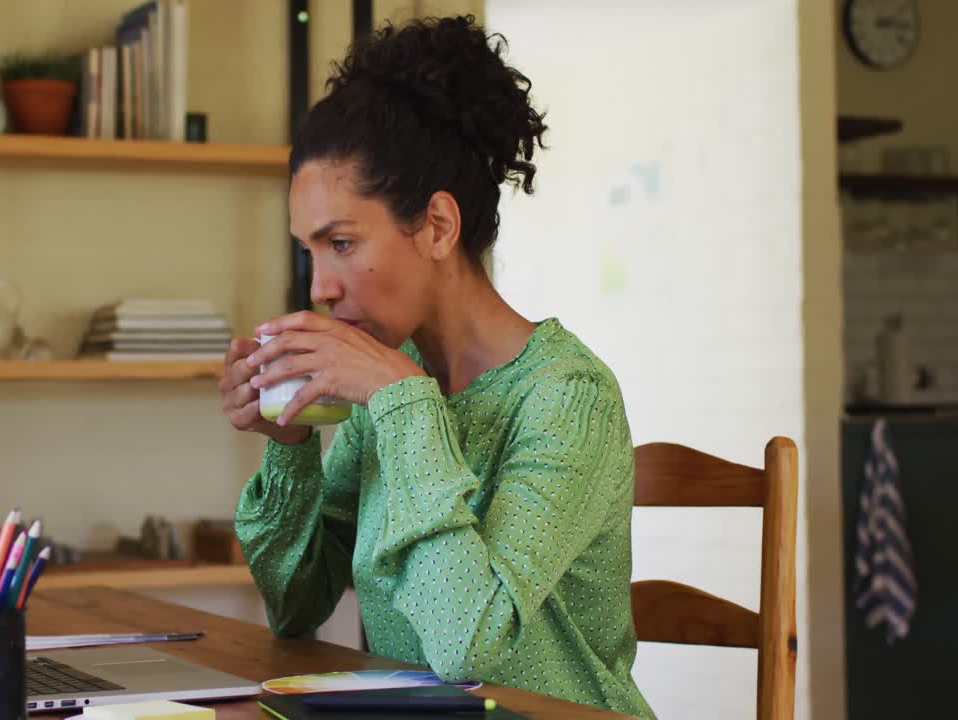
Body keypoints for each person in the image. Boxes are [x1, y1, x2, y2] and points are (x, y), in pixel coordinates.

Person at [218, 15, 654, 719]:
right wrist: (290, 443)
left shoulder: (568, 398)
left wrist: (403, 401)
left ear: (439, 227)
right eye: (310, 252)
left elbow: (467, 648)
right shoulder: (391, 384)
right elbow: (297, 607)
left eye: (342, 243)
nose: (320, 287)